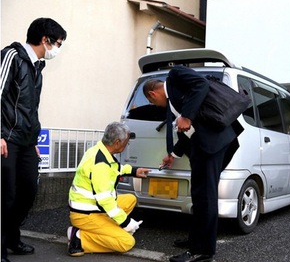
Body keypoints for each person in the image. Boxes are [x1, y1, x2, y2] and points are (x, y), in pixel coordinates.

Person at [143, 66, 243, 262]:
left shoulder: (175, 76)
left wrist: (186, 116)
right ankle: (196, 240)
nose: (155, 105)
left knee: (205, 196)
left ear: (152, 93)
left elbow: (202, 84)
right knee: (199, 196)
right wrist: (173, 153)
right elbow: (191, 129)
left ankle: (202, 251)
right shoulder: (176, 100)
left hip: (214, 144)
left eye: (151, 101)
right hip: (206, 146)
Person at [1, 17, 67, 262]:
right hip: (6, 139)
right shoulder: (11, 57)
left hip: (26, 142)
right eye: (58, 43)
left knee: (28, 190)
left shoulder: (37, 67)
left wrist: (34, 140)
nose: (57, 49)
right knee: (5, 195)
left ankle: (10, 237)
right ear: (44, 40)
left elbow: (30, 109)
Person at [67, 122, 150, 256]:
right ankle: (79, 238)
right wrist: (127, 224)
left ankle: (105, 230)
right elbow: (106, 202)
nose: (127, 144)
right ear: (117, 142)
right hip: (86, 215)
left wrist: (134, 171)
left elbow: (114, 168)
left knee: (130, 199)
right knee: (126, 242)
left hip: (91, 207)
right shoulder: (100, 164)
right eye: (127, 142)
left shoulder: (99, 151)